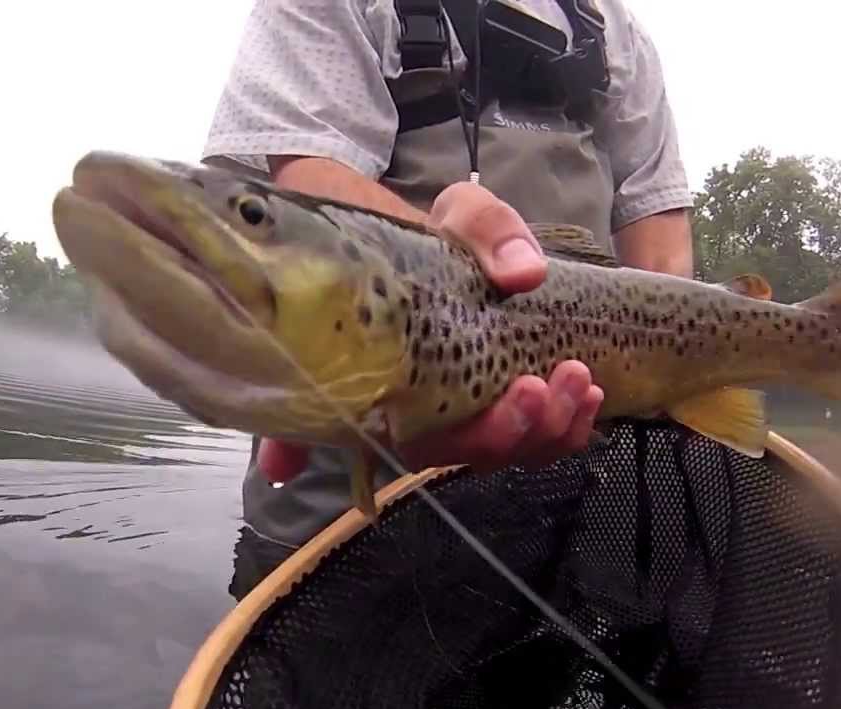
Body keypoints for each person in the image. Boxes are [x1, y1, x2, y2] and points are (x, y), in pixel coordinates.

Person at [199, 0, 695, 598]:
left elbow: (661, 245)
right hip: (338, 520)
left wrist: (688, 368)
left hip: (555, 515)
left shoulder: (616, 31)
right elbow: (304, 186)